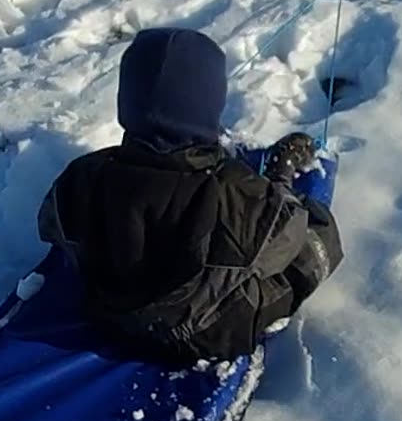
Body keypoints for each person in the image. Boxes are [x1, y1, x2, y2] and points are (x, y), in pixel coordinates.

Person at [36, 27, 343, 365]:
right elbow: (288, 235)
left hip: (106, 311)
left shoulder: (82, 175)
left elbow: (50, 224)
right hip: (204, 333)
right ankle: (280, 173)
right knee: (316, 238)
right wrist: (279, 185)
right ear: (208, 105)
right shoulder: (238, 195)